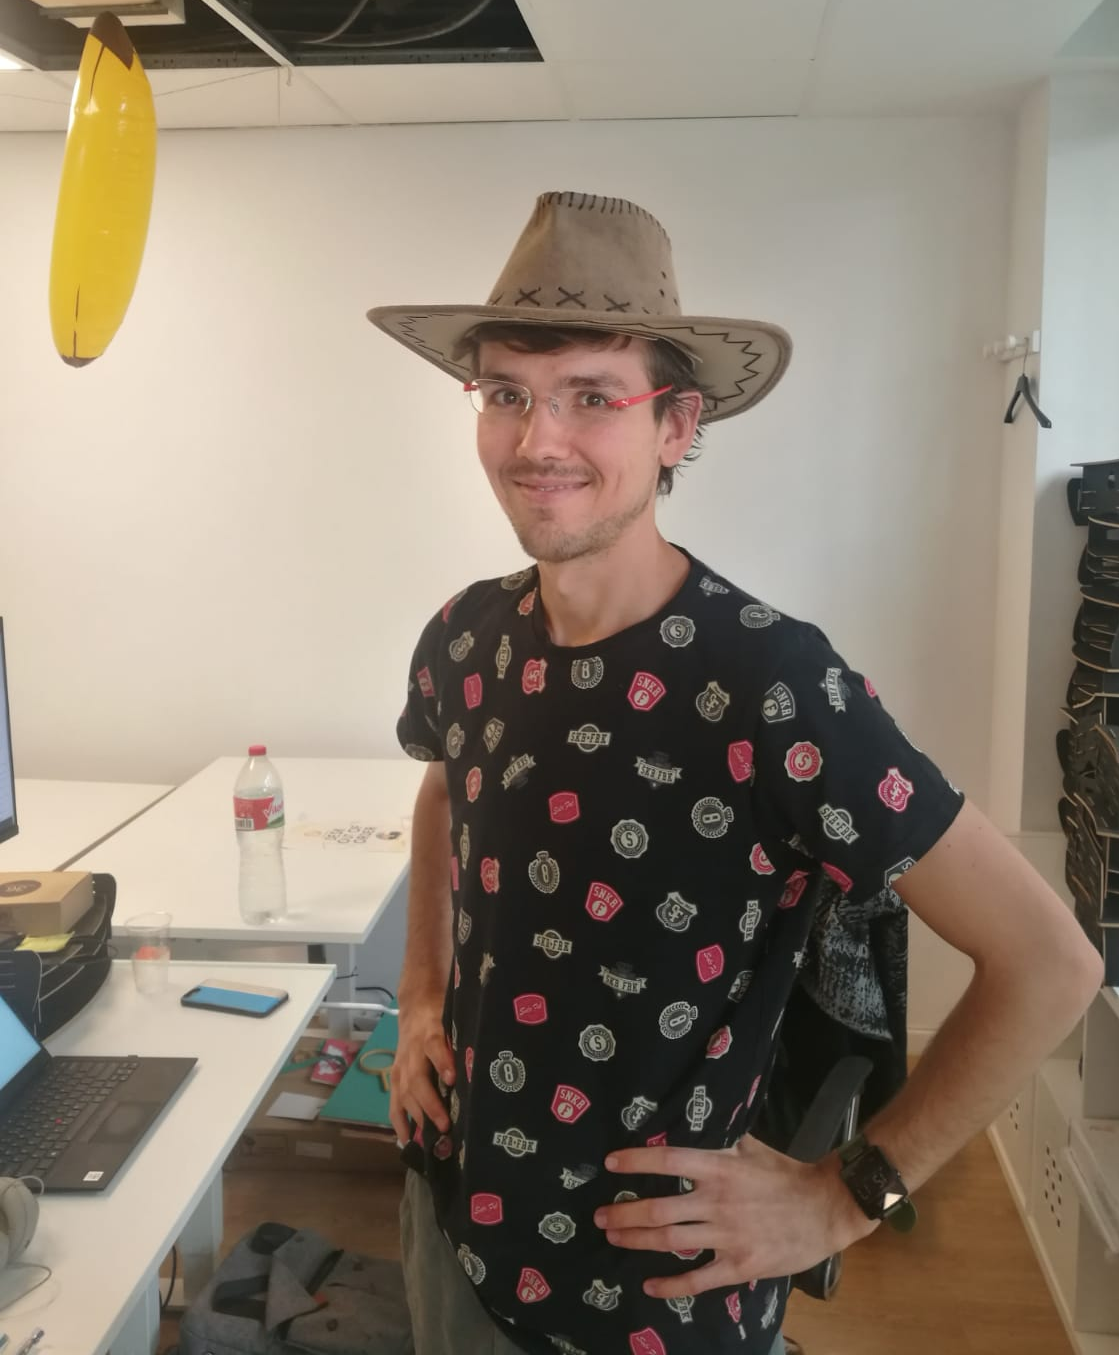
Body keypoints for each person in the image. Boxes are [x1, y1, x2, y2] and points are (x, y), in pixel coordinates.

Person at [369, 191, 1102, 1355]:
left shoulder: (772, 683)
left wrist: (848, 1192)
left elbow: (1051, 961)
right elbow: (444, 789)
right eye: (506, 392)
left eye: (591, 397)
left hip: (657, 1294)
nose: (536, 439)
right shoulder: (465, 637)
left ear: (676, 424)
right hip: (456, 1216)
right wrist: (418, 997)